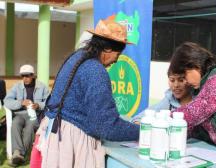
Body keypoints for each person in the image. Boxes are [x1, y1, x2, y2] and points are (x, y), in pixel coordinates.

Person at [36, 16, 139, 168]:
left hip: (57, 135)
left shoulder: (77, 57)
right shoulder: (95, 70)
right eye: (117, 55)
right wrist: (143, 131)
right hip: (72, 143)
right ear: (108, 48)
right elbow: (106, 126)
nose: (116, 61)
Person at [4, 64, 49, 166]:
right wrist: (20, 103)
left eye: (28, 76)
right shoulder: (17, 86)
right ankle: (18, 154)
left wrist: (38, 105)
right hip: (20, 114)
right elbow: (7, 101)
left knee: (30, 126)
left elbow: (49, 102)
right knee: (15, 124)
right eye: (23, 76)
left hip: (35, 115)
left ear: (33, 75)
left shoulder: (42, 87)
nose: (25, 78)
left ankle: (18, 154)